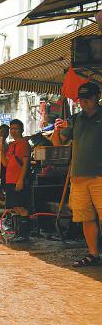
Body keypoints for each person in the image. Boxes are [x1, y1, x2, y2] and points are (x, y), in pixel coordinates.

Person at [56, 81, 102, 267]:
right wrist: (57, 130)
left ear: (97, 97)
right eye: (80, 99)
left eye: (86, 99)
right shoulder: (76, 119)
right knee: (86, 217)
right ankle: (93, 254)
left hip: (99, 175)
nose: (83, 102)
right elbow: (58, 142)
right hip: (79, 177)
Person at [0, 119, 32, 242]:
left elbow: (25, 164)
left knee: (21, 207)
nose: (13, 131)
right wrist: (2, 151)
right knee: (14, 207)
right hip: (10, 179)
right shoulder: (12, 145)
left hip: (18, 180)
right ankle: (18, 233)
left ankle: (24, 235)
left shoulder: (23, 144)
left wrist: (21, 180)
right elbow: (5, 163)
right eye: (11, 128)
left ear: (21, 130)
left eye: (16, 128)